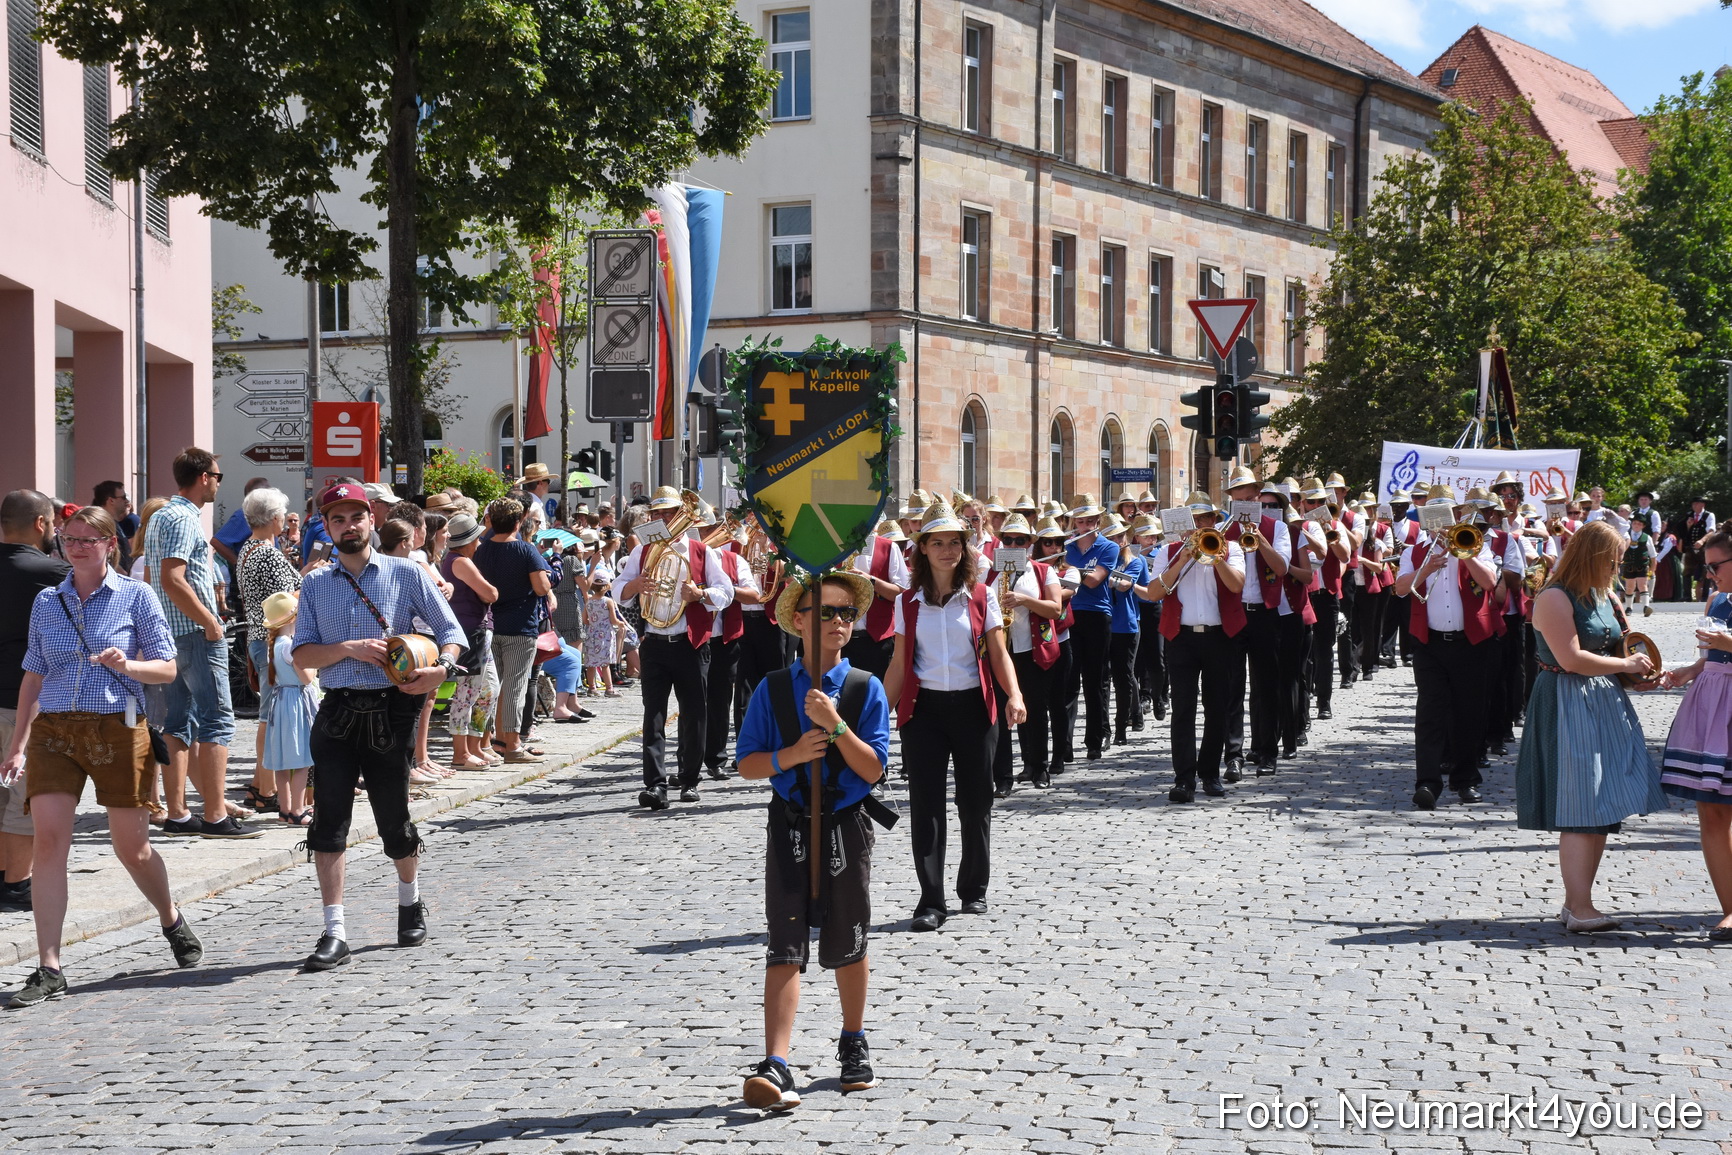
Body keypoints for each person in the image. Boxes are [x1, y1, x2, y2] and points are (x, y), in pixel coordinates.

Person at [1, 506, 200, 1006]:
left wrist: (128, 664)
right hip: (54, 731)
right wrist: (18, 743)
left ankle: (170, 916)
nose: (77, 547)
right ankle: (49, 966)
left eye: (89, 539)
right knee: (50, 843)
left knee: (131, 849)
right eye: (69, 539)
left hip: (118, 728)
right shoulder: (48, 600)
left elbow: (167, 668)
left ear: (111, 544)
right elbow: (34, 674)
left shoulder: (136, 595)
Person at [291, 482, 465, 971]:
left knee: (393, 819)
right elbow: (301, 654)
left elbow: (451, 632)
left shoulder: (405, 572)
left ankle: (410, 901)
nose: (348, 526)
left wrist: (441, 670)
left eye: (356, 517)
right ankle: (334, 932)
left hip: (392, 710)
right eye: (338, 519)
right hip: (338, 709)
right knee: (329, 823)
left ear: (372, 520)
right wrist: (347, 648)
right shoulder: (315, 584)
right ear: (327, 528)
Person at [736, 570, 893, 1110]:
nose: (839, 621)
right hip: (791, 823)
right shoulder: (774, 688)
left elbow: (873, 769)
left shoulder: (865, 687)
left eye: (847, 612)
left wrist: (836, 726)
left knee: (850, 934)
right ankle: (776, 1062)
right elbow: (748, 764)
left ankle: (853, 1039)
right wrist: (793, 755)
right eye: (826, 611)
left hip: (846, 822)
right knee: (785, 937)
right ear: (799, 621)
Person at [884, 503, 1025, 931]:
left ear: (964, 549)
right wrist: (878, 713)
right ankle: (931, 900)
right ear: (922, 550)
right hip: (923, 711)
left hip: (974, 709)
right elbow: (898, 664)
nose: (947, 550)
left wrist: (1014, 694)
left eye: (954, 543)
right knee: (926, 804)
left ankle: (973, 889)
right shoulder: (907, 602)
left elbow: (998, 654)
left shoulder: (982, 597)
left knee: (975, 801)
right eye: (938, 543)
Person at [1515, 520, 1663, 931]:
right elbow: (1571, 659)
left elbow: (1618, 645)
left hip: (1601, 700)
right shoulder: (1554, 597)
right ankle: (1580, 907)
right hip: (1567, 701)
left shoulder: (1603, 594)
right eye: (1613, 560)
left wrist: (1638, 673)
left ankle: (1576, 904)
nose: (1617, 568)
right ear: (1593, 557)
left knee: (1599, 805)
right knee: (1581, 804)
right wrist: (1625, 664)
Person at [144, 448, 257, 839]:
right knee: (216, 720)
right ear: (204, 477)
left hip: (172, 633)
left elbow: (155, 578)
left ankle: (178, 813)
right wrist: (209, 622)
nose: (219, 483)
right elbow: (172, 578)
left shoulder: (161, 515)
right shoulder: (182, 517)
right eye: (218, 476)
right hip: (193, 633)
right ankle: (214, 815)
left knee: (177, 722)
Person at [612, 487, 734, 809]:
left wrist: (700, 595)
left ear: (682, 514)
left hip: (690, 644)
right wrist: (634, 585)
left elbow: (726, 592)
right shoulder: (642, 551)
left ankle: (689, 779)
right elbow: (617, 589)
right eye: (658, 513)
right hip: (654, 643)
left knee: (694, 715)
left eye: (670, 512)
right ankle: (655, 785)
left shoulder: (702, 551)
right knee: (653, 716)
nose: (664, 518)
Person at [1393, 487, 1502, 810]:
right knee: (1430, 714)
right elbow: (1400, 589)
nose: (1441, 523)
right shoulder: (1415, 552)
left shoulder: (1475, 544)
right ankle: (1427, 783)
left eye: (1449, 515)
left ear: (1458, 516)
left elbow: (1489, 583)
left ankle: (1465, 780)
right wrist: (1426, 568)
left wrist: (1463, 553)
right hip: (1430, 644)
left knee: (1469, 713)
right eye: (1434, 516)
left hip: (1470, 643)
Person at [1142, 492, 1248, 802]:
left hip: (1219, 637)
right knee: (1183, 709)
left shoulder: (1231, 549)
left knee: (1217, 708)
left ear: (1215, 521)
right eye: (1194, 520)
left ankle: (1210, 773)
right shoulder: (1169, 552)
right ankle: (1184, 779)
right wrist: (1182, 559)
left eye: (1205, 519)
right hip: (1182, 638)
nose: (1199, 525)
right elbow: (1153, 593)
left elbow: (1236, 585)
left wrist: (1215, 557)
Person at [1656, 529, 1732, 938]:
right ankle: (1731, 908)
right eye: (1707, 567)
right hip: (1712, 706)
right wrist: (1687, 671)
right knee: (1712, 809)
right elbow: (1710, 658)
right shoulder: (1717, 600)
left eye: (1716, 566)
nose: (1710, 574)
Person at [0, 491, 71, 913]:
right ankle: (17, 884)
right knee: (24, 798)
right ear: (41, 524)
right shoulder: (51, 571)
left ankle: (5, 878)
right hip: (25, 700)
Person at [236, 486, 304, 815]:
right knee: (270, 716)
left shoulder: (248, 548)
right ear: (274, 517)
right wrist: (311, 580)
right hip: (272, 639)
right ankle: (266, 789)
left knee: (269, 713)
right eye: (281, 515)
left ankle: (257, 786)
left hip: (258, 636)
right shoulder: (268, 553)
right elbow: (286, 603)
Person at [1222, 467, 1289, 778]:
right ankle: (1233, 755)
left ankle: (1266, 751)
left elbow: (1282, 568)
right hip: (1233, 613)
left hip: (1264, 613)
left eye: (1251, 499)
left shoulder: (1276, 528)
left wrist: (1260, 539)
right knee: (1232, 687)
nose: (1247, 505)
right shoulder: (1222, 530)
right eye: (1240, 501)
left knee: (1266, 686)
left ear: (1259, 498)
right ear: (1232, 502)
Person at [474, 499, 553, 764]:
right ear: (518, 523)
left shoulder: (481, 550)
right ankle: (513, 745)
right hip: (520, 625)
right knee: (514, 687)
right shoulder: (525, 549)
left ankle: (487, 742)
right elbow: (541, 587)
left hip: (489, 623)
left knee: (489, 688)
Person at [989, 513, 1063, 793]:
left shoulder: (1043, 571)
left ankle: (1038, 767)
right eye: (1008, 540)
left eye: (1020, 540)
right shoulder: (991, 572)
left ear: (1030, 543)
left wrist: (1024, 600)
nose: (1013, 545)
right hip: (1001, 650)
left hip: (1031, 650)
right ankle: (1003, 777)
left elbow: (1055, 609)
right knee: (1000, 714)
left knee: (1035, 709)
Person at [440, 514, 501, 770]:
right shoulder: (461, 561)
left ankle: (474, 746)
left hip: (477, 630)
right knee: (467, 692)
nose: (480, 542)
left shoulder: (457, 560)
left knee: (488, 689)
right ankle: (460, 753)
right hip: (471, 631)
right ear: (468, 540)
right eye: (477, 538)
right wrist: (488, 592)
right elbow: (491, 593)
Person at [1062, 494, 1117, 760]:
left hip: (1097, 615)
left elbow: (1095, 580)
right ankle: (1064, 744)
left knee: (1095, 680)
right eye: (1079, 521)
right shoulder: (1066, 547)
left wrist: (1068, 569)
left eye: (1088, 521)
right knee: (1069, 680)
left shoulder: (1109, 547)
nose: (1083, 526)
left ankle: (1096, 738)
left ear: (1097, 521)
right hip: (1070, 613)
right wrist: (1073, 568)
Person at [260, 592, 314, 825]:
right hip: (295, 703)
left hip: (281, 702)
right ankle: (298, 810)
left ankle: (285, 810)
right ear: (293, 618)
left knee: (282, 761)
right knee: (301, 759)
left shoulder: (275, 645)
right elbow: (307, 678)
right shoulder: (291, 647)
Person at [1102, 516, 1150, 749]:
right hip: (1102, 623)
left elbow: (1125, 585)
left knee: (1123, 676)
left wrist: (1101, 576)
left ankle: (1122, 726)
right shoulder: (1101, 558)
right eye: (1112, 537)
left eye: (1121, 535)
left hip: (1126, 625)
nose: (1118, 540)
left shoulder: (1135, 560)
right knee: (1103, 677)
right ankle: (1105, 729)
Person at [92, 481, 136, 571]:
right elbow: (105, 557)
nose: (126, 501)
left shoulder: (112, 522)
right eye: (123, 497)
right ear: (111, 500)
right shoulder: (100, 524)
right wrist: (123, 575)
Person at [1683, 497, 1716, 601]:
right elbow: (1685, 532)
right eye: (1693, 504)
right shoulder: (1689, 515)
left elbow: (1711, 531)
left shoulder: (1708, 515)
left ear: (1702, 505)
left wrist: (1702, 541)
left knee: (1705, 571)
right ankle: (1687, 596)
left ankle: (1705, 596)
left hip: (1704, 548)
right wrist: (1688, 526)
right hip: (1691, 547)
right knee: (1687, 571)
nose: (1694, 506)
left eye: (1697, 503)